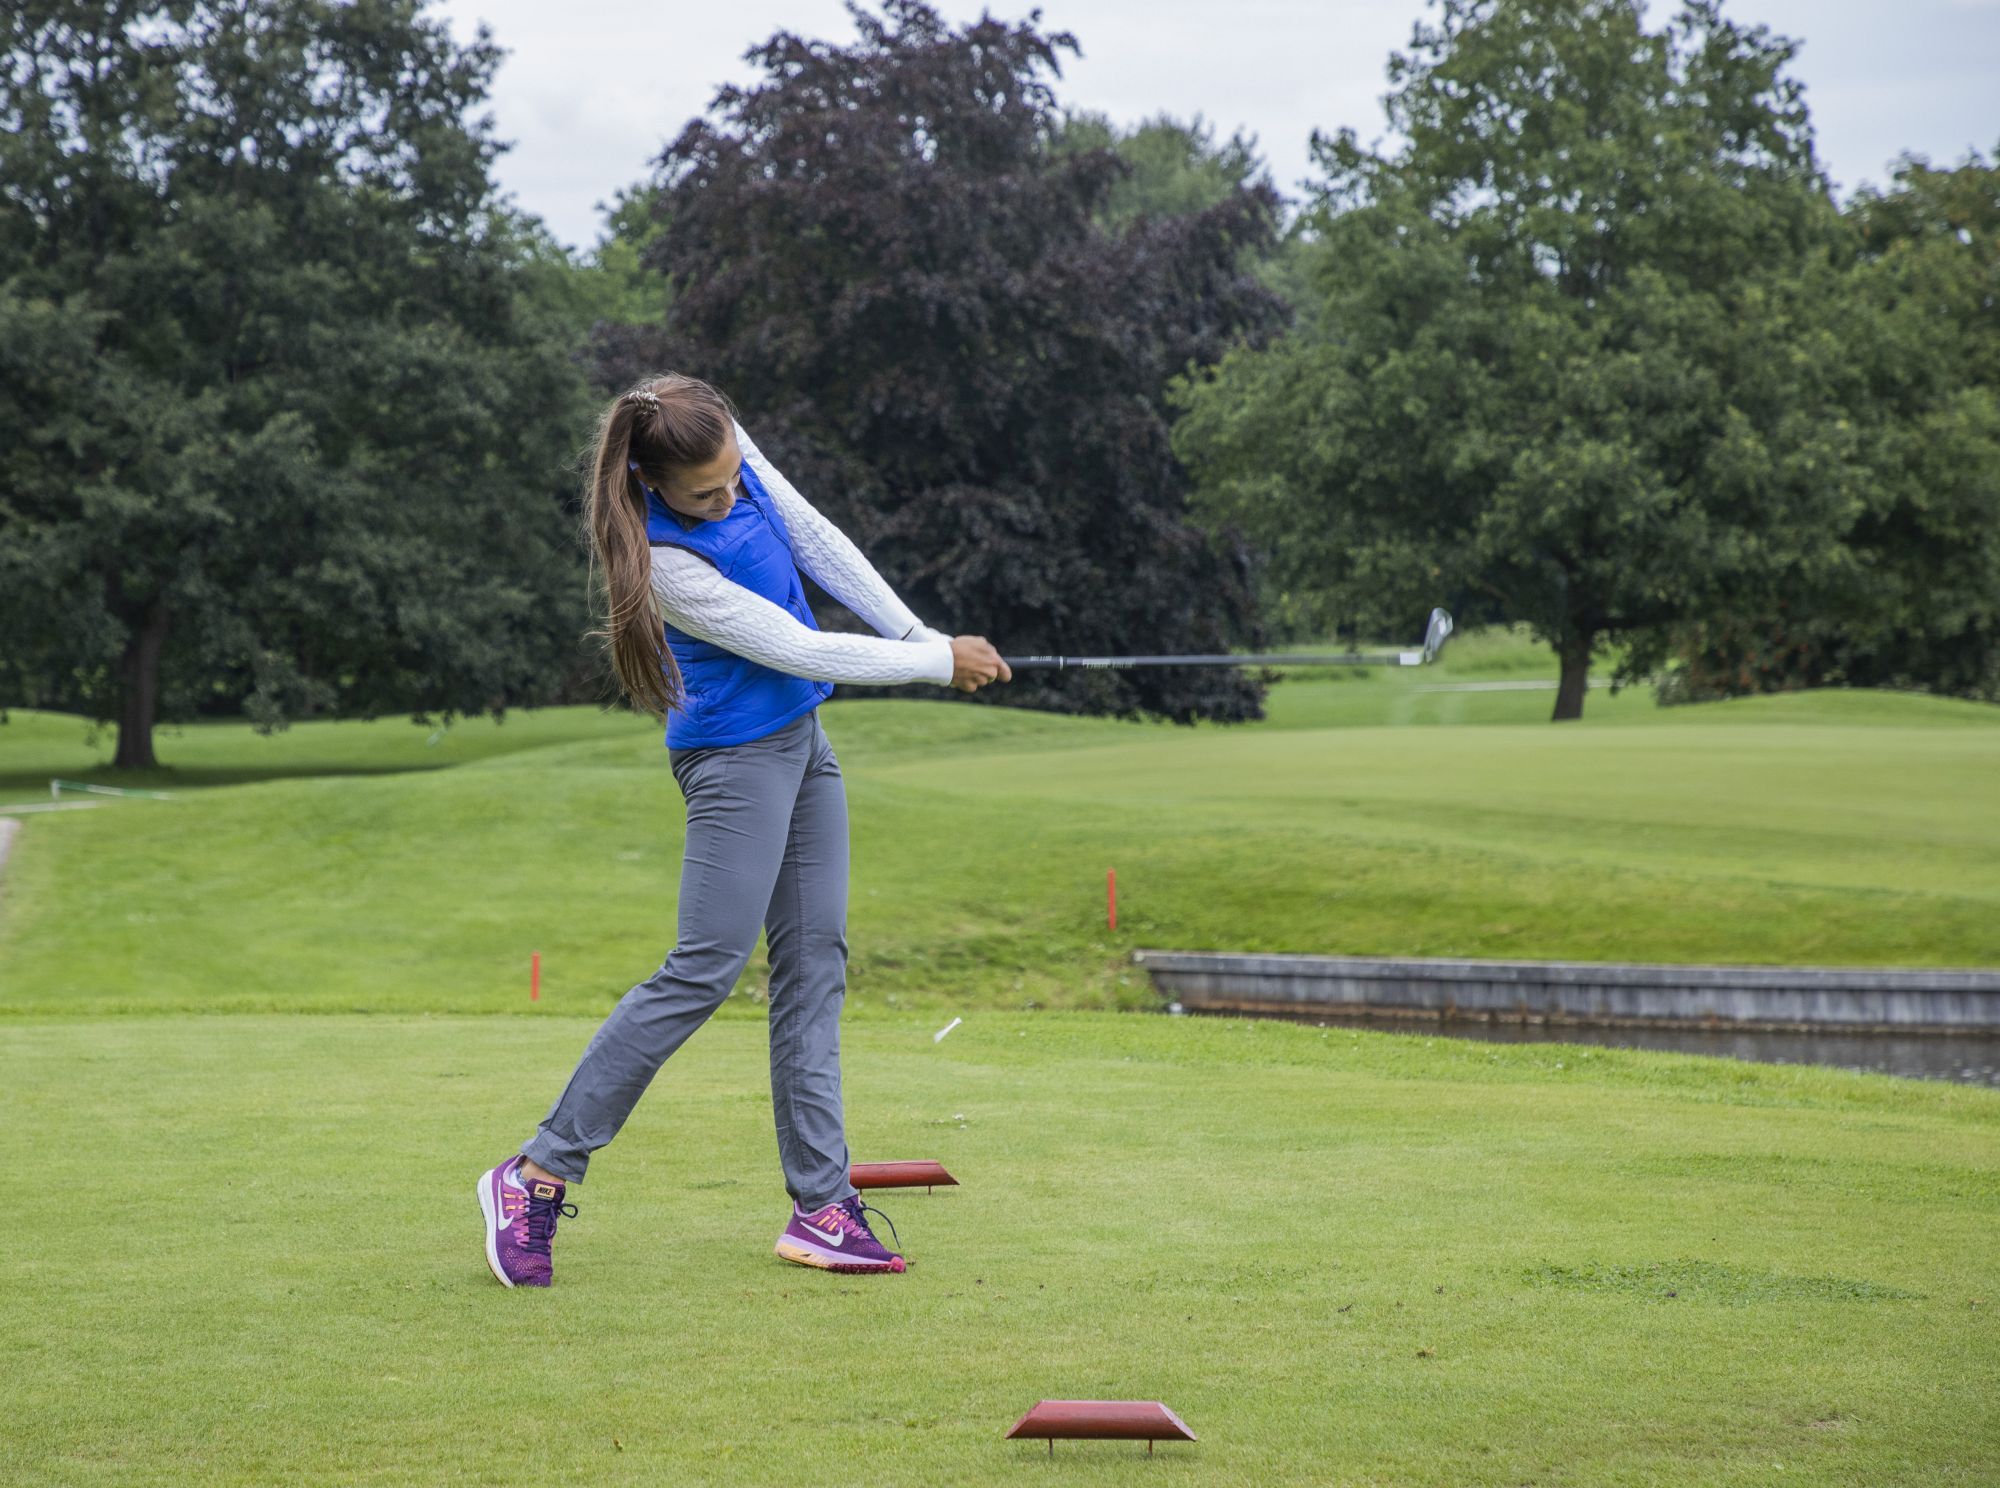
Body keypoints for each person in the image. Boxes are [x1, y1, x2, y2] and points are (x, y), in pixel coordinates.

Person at [478, 373, 1010, 1287]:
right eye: (706, 494)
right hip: (733, 762)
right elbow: (796, 646)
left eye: (733, 479)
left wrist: (921, 629)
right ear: (651, 486)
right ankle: (536, 1172)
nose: (729, 498)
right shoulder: (664, 561)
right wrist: (929, 663)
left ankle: (821, 1208)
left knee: (816, 962)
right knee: (703, 970)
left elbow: (816, 540)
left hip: (803, 744)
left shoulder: (722, 440)